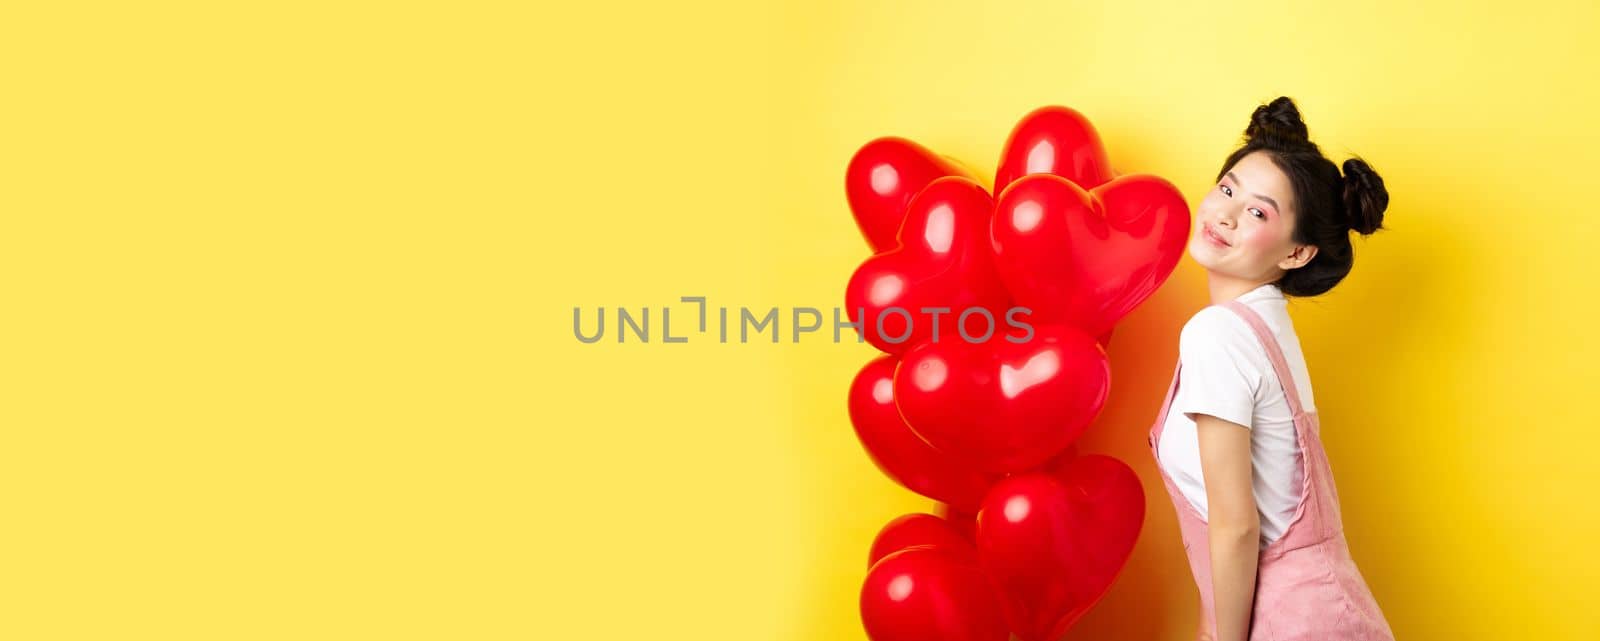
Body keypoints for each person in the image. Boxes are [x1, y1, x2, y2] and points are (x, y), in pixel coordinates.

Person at [1147, 96, 1396, 641]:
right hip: (1324, 611)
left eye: (1259, 212)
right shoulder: (1267, 325)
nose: (1226, 214)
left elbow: (1237, 527)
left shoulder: (1218, 334)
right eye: (1229, 188)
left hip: (1291, 622)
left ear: (1297, 254)